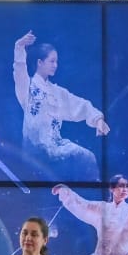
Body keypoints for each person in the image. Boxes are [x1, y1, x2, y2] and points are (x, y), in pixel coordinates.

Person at [13, 31, 109, 181]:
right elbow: (19, 71)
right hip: (35, 152)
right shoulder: (28, 87)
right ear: (40, 63)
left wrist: (98, 120)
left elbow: (81, 105)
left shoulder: (57, 92)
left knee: (87, 157)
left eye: (56, 62)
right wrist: (19, 47)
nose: (55, 65)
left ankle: (94, 195)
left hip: (57, 149)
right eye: (52, 61)